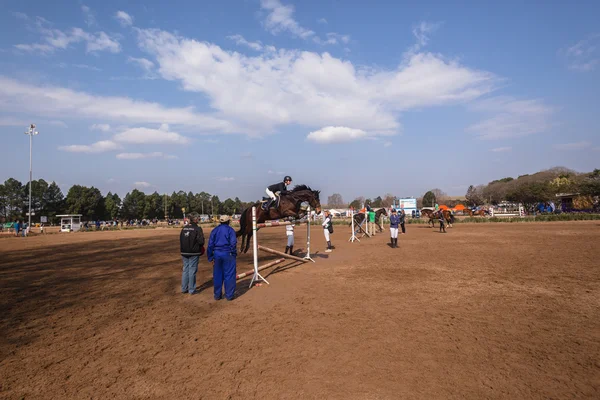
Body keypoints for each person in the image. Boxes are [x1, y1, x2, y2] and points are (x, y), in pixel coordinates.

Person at [207, 215, 238, 301]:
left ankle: (217, 295)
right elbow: (233, 243)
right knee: (229, 275)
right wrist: (234, 254)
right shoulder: (230, 230)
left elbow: (210, 245)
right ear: (228, 222)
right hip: (228, 254)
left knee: (217, 275)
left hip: (217, 254)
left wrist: (210, 257)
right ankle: (229, 295)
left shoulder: (215, 230)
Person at [180, 212, 205, 295]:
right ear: (195, 219)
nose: (199, 219)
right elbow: (201, 242)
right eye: (198, 218)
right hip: (194, 252)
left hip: (184, 252)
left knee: (185, 270)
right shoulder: (198, 229)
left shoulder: (184, 228)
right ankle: (191, 289)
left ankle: (184, 288)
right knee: (192, 270)